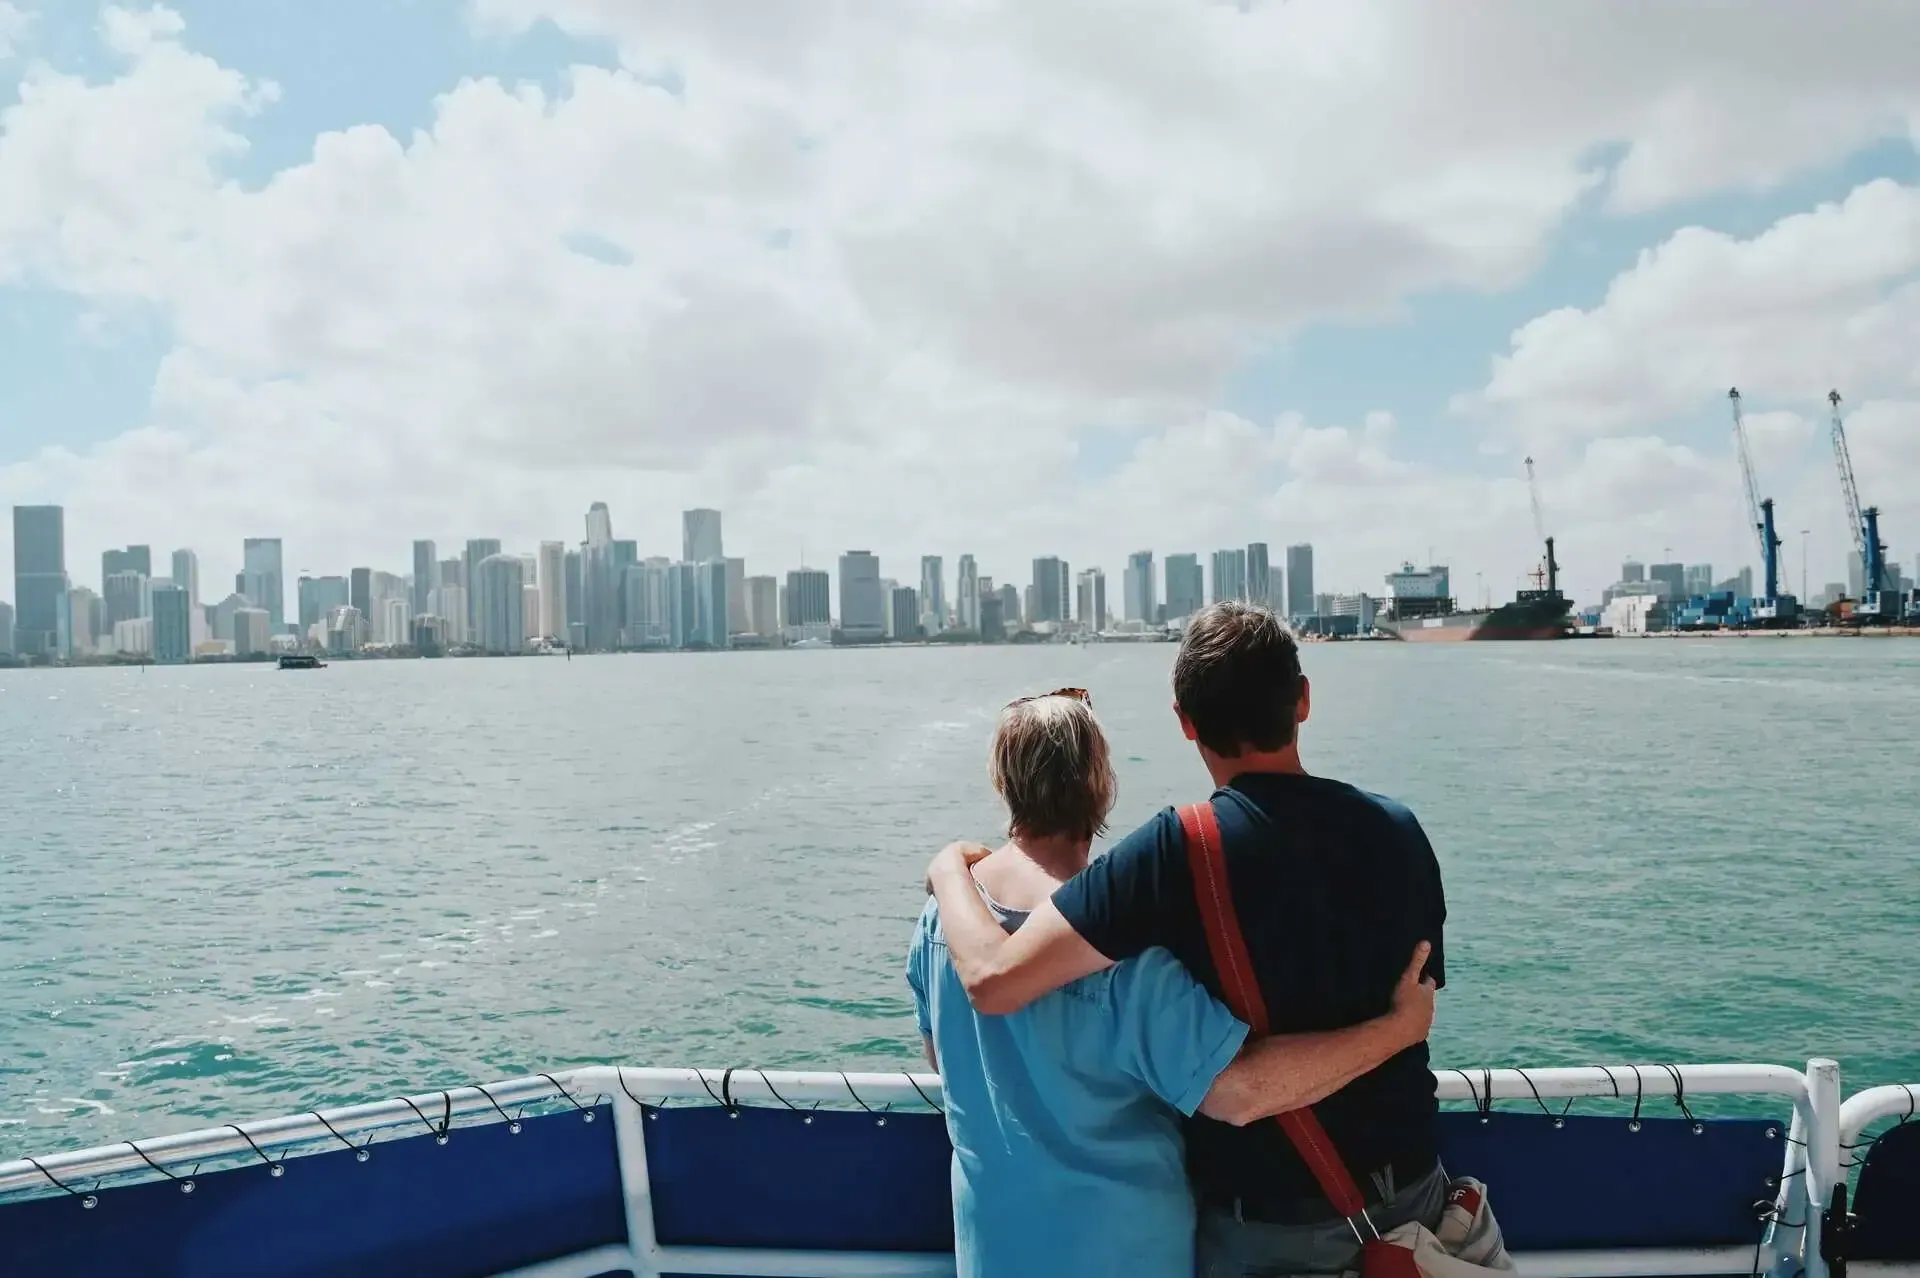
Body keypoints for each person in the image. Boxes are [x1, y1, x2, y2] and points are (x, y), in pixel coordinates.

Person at [925, 604, 1449, 1276]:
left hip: (1267, 1228)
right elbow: (1414, 992)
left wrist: (947, 867)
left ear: (1185, 721)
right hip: (1416, 1200)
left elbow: (995, 979)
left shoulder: (1175, 852)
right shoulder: (1398, 829)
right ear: (1303, 700)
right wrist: (1400, 1031)